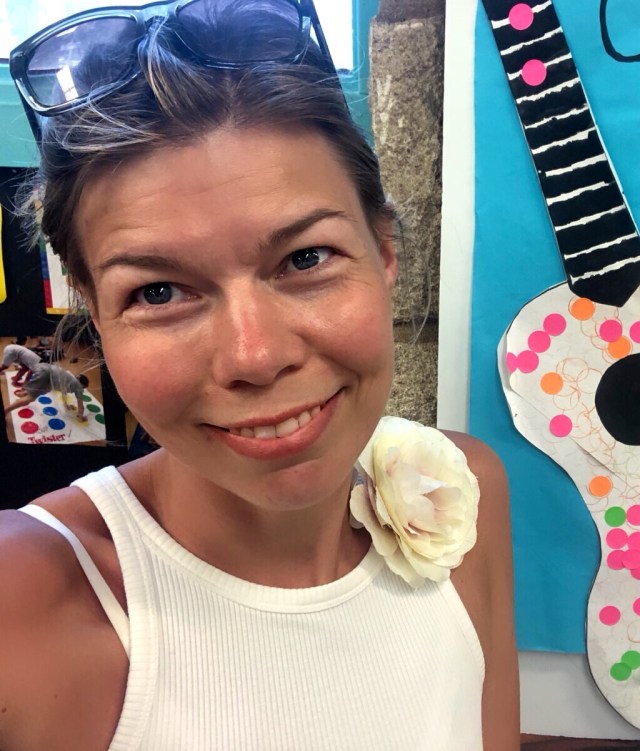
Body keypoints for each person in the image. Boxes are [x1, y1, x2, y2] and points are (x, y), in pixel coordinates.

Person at [0, 1, 518, 749]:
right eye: (159, 292)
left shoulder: (461, 490)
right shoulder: (23, 605)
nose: (254, 355)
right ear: (96, 314)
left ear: (384, 253)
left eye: (305, 258)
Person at [3, 364, 90, 421]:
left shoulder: (71, 381)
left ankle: (23, 393)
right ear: (82, 385)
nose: (82, 390)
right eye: (84, 388)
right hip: (47, 373)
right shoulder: (78, 387)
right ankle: (6, 410)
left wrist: (66, 405)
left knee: (45, 390)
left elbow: (64, 393)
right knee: (31, 398)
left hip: (46, 371)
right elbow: (80, 405)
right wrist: (80, 416)